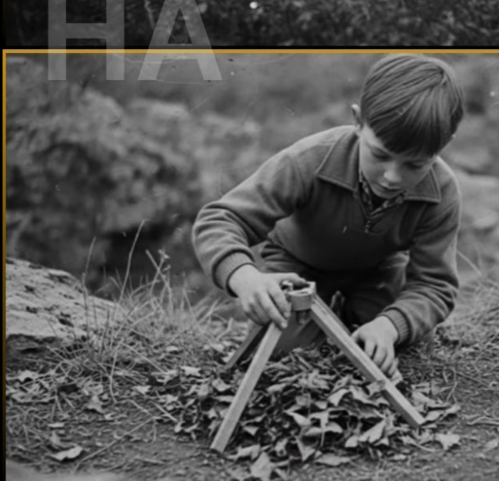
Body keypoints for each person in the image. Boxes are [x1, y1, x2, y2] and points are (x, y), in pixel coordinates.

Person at [192, 53, 465, 380]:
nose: (392, 177)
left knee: (391, 349)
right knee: (284, 357)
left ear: (443, 146)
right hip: (297, 267)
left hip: (376, 272)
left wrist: (389, 326)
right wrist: (245, 277)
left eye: (414, 165)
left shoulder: (442, 192)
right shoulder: (308, 160)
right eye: (380, 155)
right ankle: (323, 318)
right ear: (358, 121)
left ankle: (359, 313)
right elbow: (219, 220)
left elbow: (434, 285)